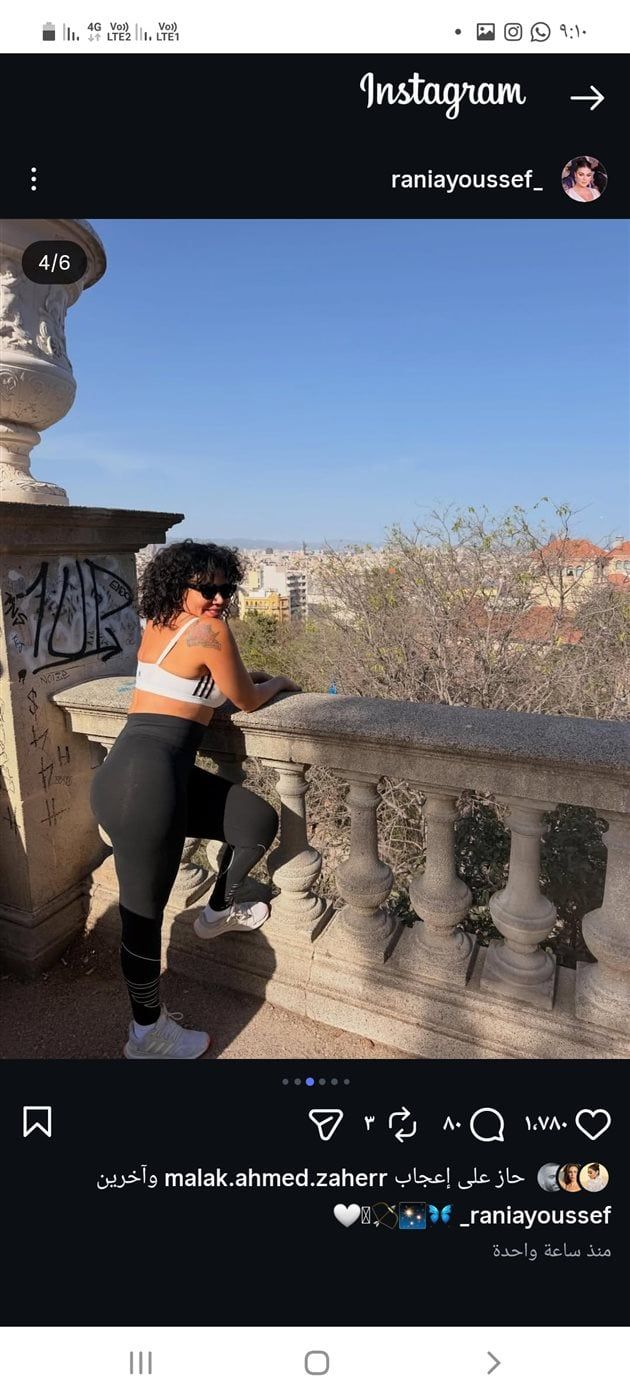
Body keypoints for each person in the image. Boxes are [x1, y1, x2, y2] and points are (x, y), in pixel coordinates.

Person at [91, 539, 301, 1060]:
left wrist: (245, 679)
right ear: (179, 586)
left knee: (255, 821)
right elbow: (246, 701)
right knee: (142, 916)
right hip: (147, 786)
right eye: (206, 589)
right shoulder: (210, 631)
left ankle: (216, 912)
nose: (218, 599)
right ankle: (146, 1033)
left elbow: (204, 683)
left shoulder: (160, 624)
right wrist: (278, 681)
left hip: (141, 773)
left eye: (226, 588)